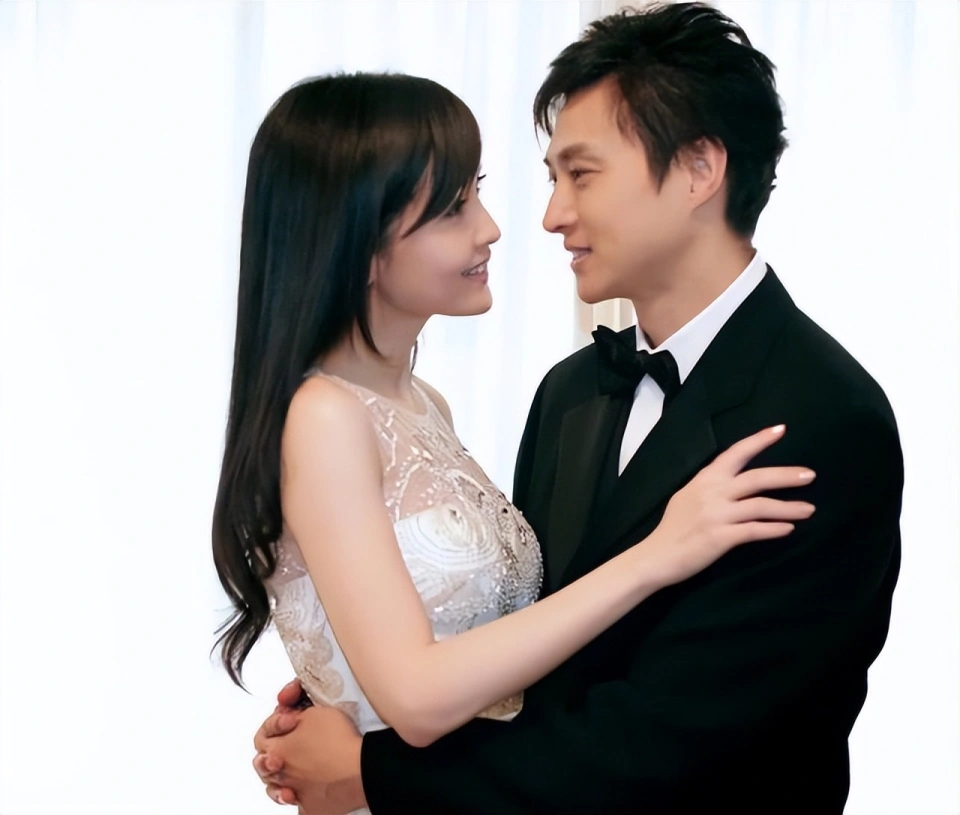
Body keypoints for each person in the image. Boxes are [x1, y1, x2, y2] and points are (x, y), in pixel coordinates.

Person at [251, 4, 903, 814]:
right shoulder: (572, 391)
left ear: (699, 170)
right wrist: (346, 687)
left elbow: (675, 744)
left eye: (581, 174)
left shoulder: (824, 416)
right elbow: (532, 655)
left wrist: (371, 769)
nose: (550, 215)